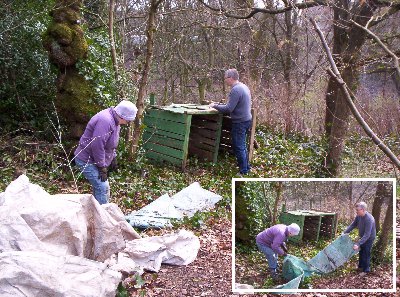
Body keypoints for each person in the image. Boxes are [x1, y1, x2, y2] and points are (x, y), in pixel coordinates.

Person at [74, 100, 137, 205]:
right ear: (123, 116)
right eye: (128, 120)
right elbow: (97, 145)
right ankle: (103, 216)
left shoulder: (115, 121)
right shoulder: (105, 121)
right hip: (86, 160)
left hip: (95, 160)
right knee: (102, 187)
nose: (128, 123)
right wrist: (102, 166)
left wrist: (113, 157)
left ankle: (95, 211)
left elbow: (110, 143)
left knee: (100, 187)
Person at [210, 69, 252, 175]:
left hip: (240, 122)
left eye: (225, 78)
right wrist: (217, 104)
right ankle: (246, 167)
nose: (225, 80)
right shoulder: (243, 86)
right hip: (247, 120)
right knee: (242, 145)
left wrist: (214, 106)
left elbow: (229, 109)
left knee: (239, 146)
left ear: (231, 78)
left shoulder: (236, 90)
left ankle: (243, 171)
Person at [343, 201, 376, 276]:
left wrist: (358, 243)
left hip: (369, 238)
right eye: (356, 210)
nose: (356, 211)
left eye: (358, 210)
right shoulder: (358, 216)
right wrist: (344, 232)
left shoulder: (369, 219)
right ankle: (360, 267)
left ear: (363, 210)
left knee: (366, 253)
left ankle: (366, 270)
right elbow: (353, 225)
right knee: (361, 251)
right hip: (363, 236)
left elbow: (367, 234)